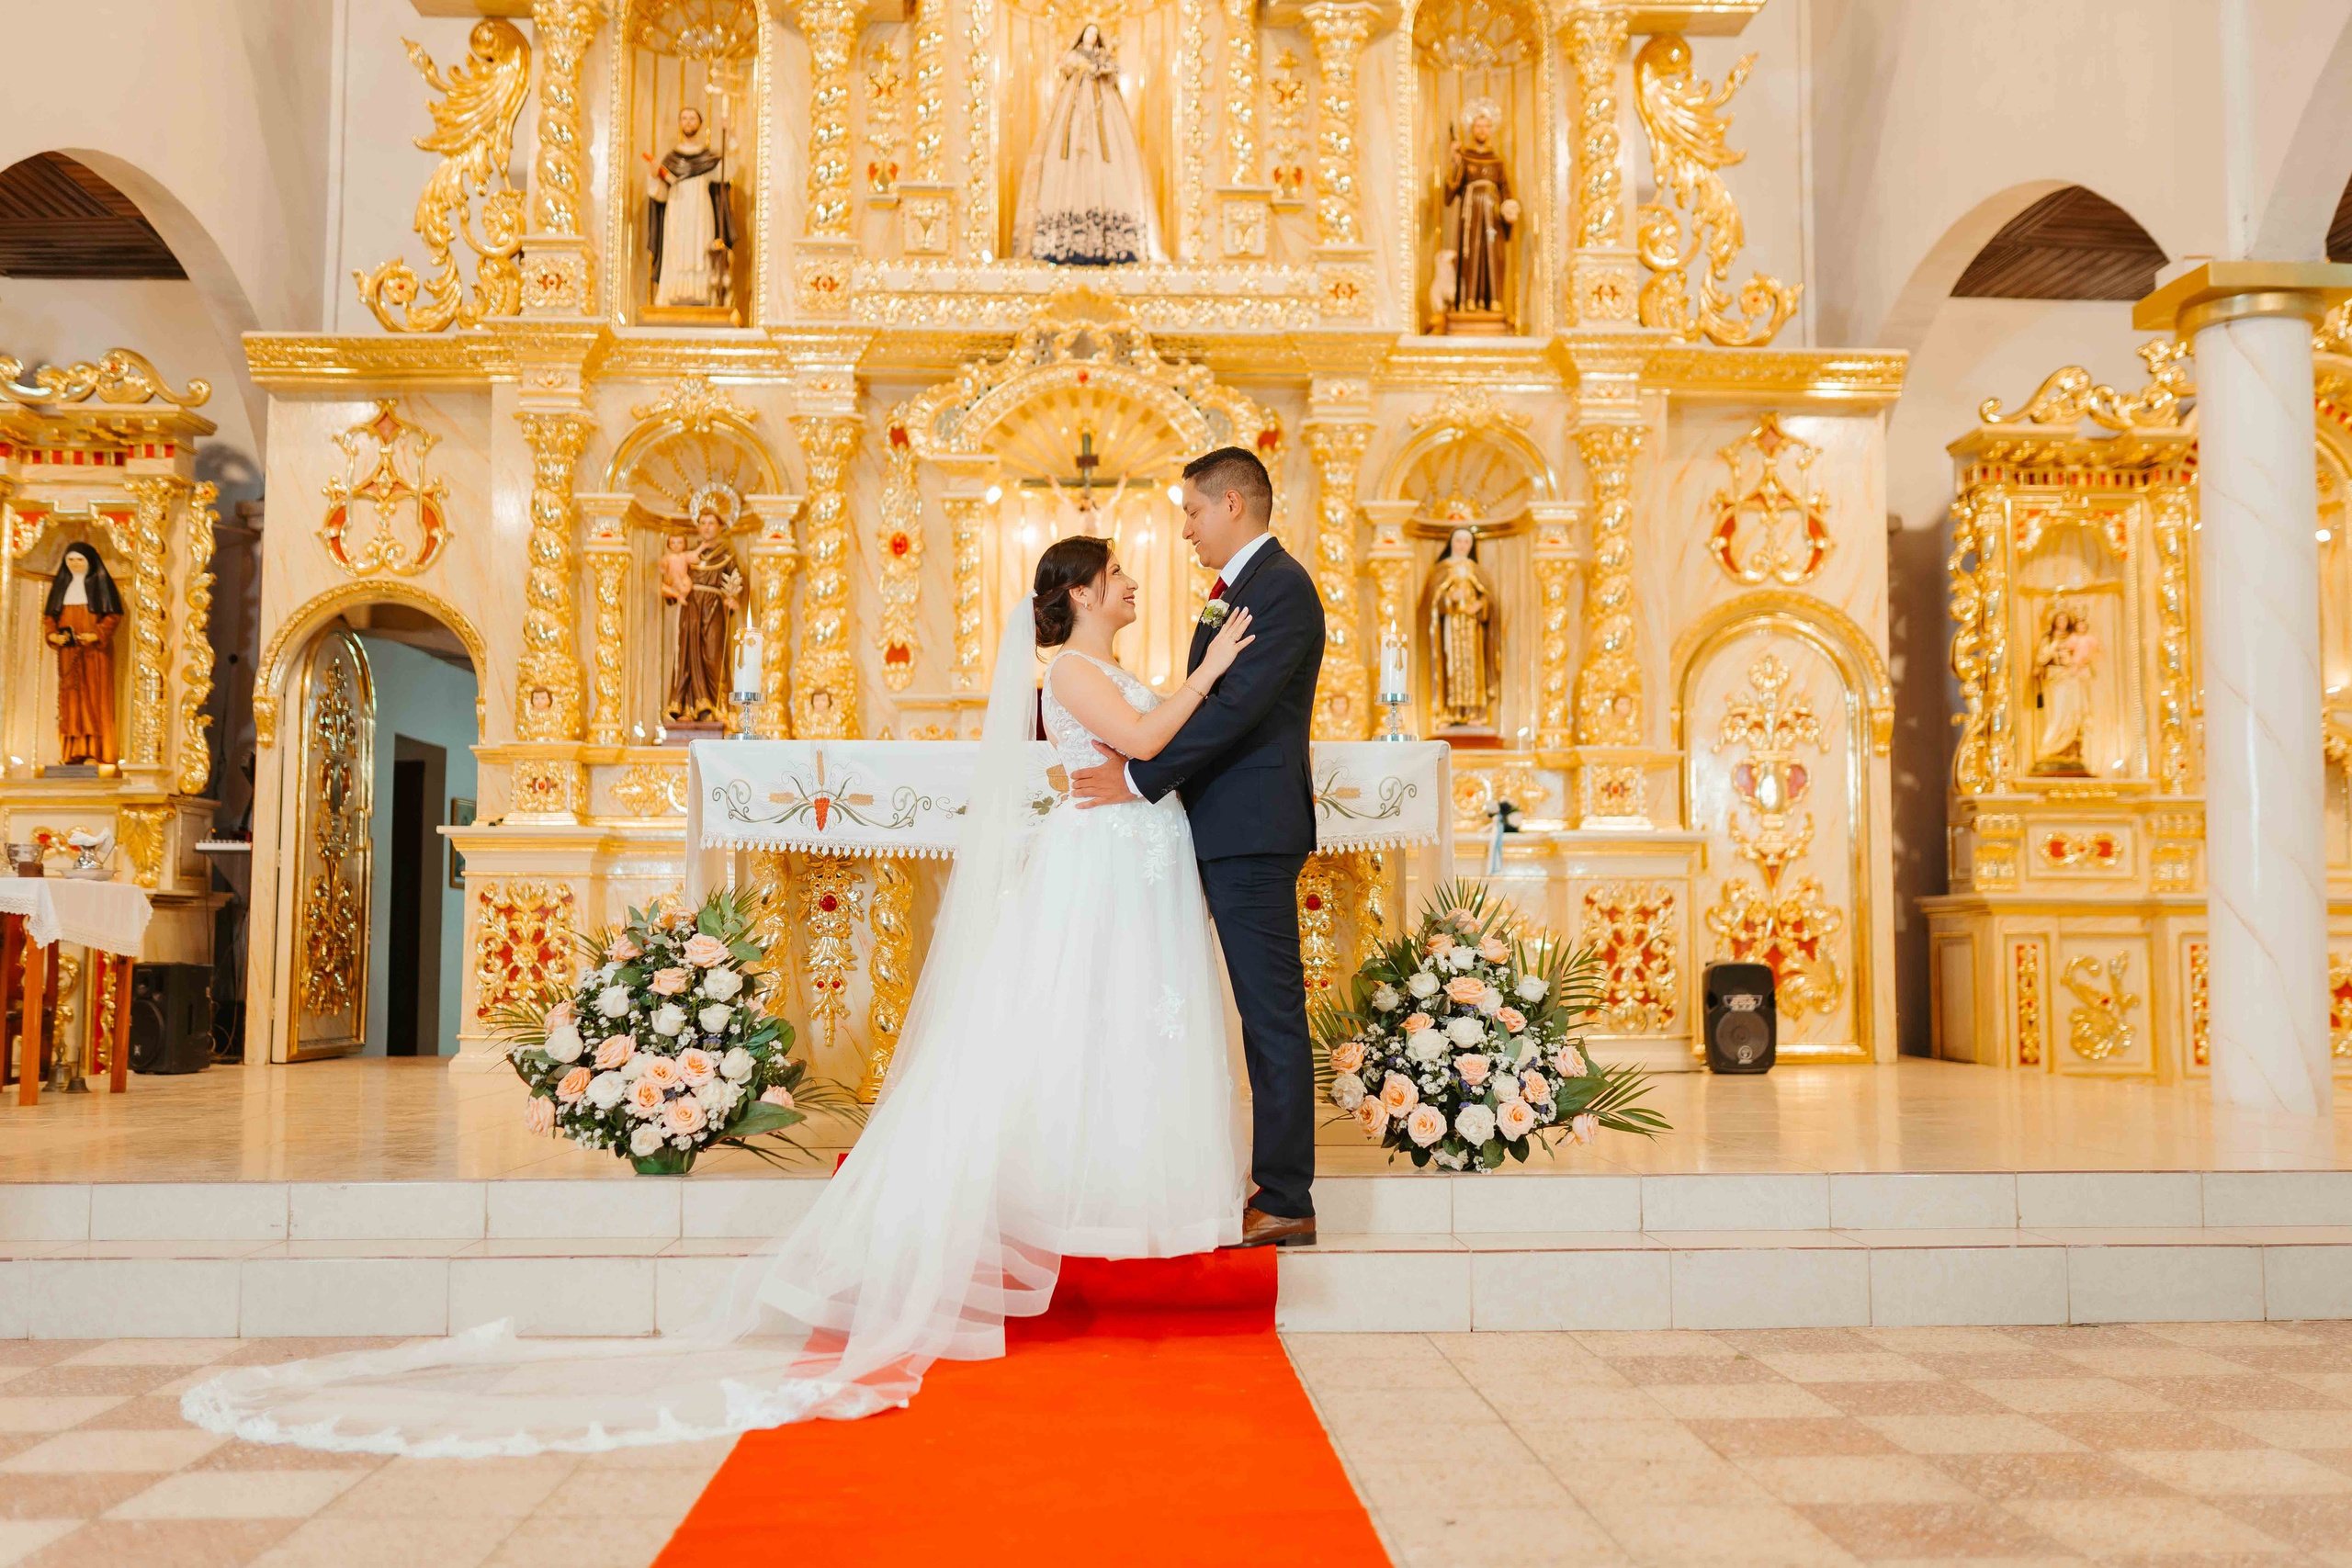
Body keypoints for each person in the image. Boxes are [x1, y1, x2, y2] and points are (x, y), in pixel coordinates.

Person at [180, 533, 1265, 1454]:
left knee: (1115, 1029)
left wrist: (1170, 711)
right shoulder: (1070, 673)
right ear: (1078, 592)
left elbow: (1141, 746)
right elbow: (1148, 737)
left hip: (1127, 858)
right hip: (1102, 865)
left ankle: (1118, 1191)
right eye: (1117, 575)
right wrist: (1209, 674)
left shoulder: (1103, 668)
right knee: (1073, 1025)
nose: (1132, 586)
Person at [1069, 446, 1328, 1249]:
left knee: (1269, 1013)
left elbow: (1233, 713)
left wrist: (1140, 781)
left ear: (1232, 506)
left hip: (1250, 834)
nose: (1184, 530)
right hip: (1217, 830)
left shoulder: (1279, 590)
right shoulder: (1240, 591)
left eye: (1191, 511)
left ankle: (1285, 1194)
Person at [1012, 23, 1162, 265]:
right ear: (1082, 36)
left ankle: (1110, 241)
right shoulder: (1075, 59)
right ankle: (1064, 239)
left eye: (1095, 33)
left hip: (1103, 116)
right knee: (1070, 159)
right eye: (1088, 32)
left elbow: (1113, 70)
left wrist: (1101, 68)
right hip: (1074, 114)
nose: (1091, 37)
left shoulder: (1103, 59)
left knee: (1106, 159)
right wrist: (1085, 69)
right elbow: (1064, 65)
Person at [41, 543, 123, 766]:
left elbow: (112, 616)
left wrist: (96, 635)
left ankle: (95, 753)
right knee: (71, 701)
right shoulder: (62, 587)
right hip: (69, 653)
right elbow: (50, 618)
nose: (75, 564)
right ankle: (71, 753)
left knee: (94, 700)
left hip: (95, 655)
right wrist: (52, 636)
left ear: (90, 562)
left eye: (80, 560)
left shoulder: (100, 585)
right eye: (71, 560)